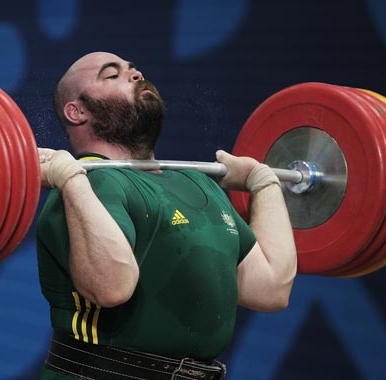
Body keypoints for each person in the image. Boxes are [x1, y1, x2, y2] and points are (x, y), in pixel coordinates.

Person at [36, 51, 297, 380]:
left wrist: (264, 183)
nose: (135, 75)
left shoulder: (200, 184)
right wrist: (72, 180)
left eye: (134, 70)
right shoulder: (92, 184)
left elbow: (270, 289)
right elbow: (111, 288)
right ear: (78, 111)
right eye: (111, 75)